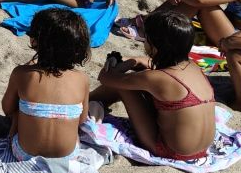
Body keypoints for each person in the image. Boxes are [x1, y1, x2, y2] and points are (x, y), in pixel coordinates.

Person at [90, 10, 216, 161]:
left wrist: (115, 61)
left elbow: (105, 78)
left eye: (145, 38)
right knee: (135, 78)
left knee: (123, 85)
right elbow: (146, 63)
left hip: (169, 150)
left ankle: (84, 104)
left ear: (154, 45)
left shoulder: (155, 78)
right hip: (202, 149)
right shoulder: (192, 66)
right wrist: (134, 61)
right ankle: (96, 103)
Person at [0, 9, 90, 162]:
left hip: (24, 154)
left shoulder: (21, 74)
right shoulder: (82, 79)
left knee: (18, 108)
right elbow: (81, 120)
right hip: (68, 157)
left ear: (34, 41)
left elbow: (7, 109)